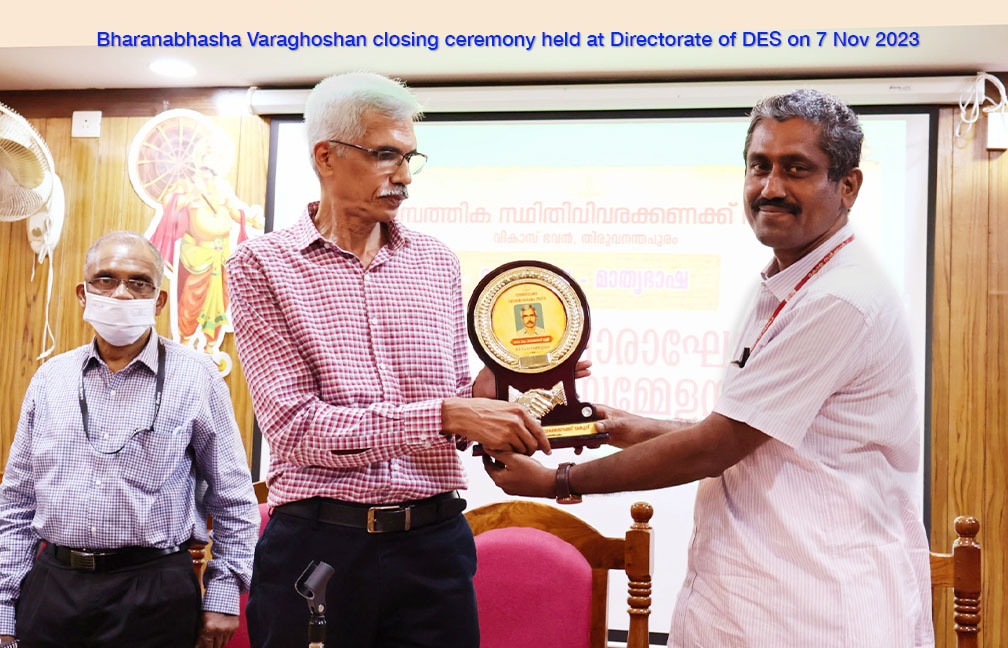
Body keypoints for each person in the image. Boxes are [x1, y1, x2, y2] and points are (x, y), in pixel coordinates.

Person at [484, 89, 933, 647]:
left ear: (848, 186)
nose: (770, 188)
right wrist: (620, 428)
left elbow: (719, 445)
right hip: (753, 598)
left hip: (813, 608)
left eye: (797, 169)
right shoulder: (785, 281)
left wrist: (559, 480)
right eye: (758, 166)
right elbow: (766, 437)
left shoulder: (838, 298)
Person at [225, 72, 552, 648]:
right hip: (318, 547)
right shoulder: (261, 267)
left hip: (435, 543)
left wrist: (514, 379)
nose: (402, 176)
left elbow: (457, 401)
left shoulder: (435, 262)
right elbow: (295, 430)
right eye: (384, 155)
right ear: (326, 156)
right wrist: (449, 414)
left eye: (409, 157)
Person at [0, 230, 260, 648]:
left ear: (158, 301)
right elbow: (16, 503)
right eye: (106, 279)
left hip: (155, 592)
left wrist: (224, 595)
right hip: (54, 589)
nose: (120, 293)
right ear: (83, 294)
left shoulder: (197, 376)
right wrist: (3, 607)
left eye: (138, 282)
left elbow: (232, 497)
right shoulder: (50, 379)